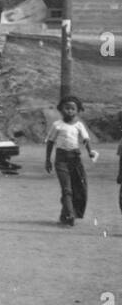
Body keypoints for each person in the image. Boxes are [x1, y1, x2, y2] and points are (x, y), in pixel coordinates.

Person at [45, 95, 98, 226]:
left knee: (78, 187)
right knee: (66, 189)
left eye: (73, 108)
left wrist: (91, 152)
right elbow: (50, 142)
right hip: (61, 160)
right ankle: (70, 215)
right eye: (66, 108)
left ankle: (66, 213)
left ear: (78, 110)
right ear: (60, 110)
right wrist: (47, 160)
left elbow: (85, 140)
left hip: (75, 159)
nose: (69, 111)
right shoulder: (57, 125)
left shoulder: (79, 125)